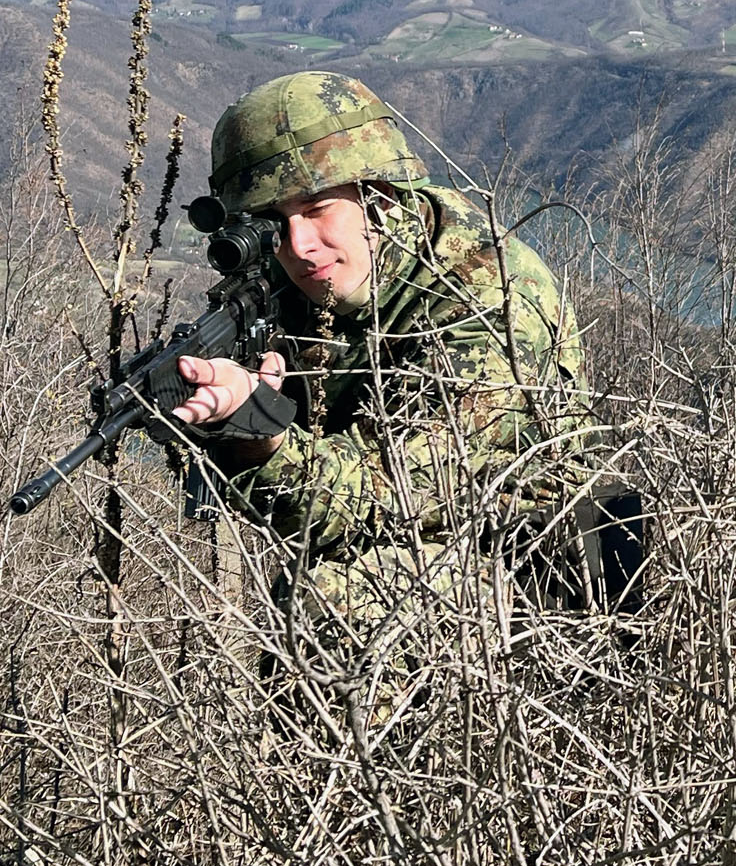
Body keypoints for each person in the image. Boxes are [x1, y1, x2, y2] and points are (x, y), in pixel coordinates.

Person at [161, 69, 598, 626]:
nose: (299, 246)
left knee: (335, 608)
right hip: (386, 539)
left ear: (380, 195)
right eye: (274, 222)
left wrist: (258, 440)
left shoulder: (490, 297)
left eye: (318, 208)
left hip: (523, 554)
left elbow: (392, 498)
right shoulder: (290, 279)